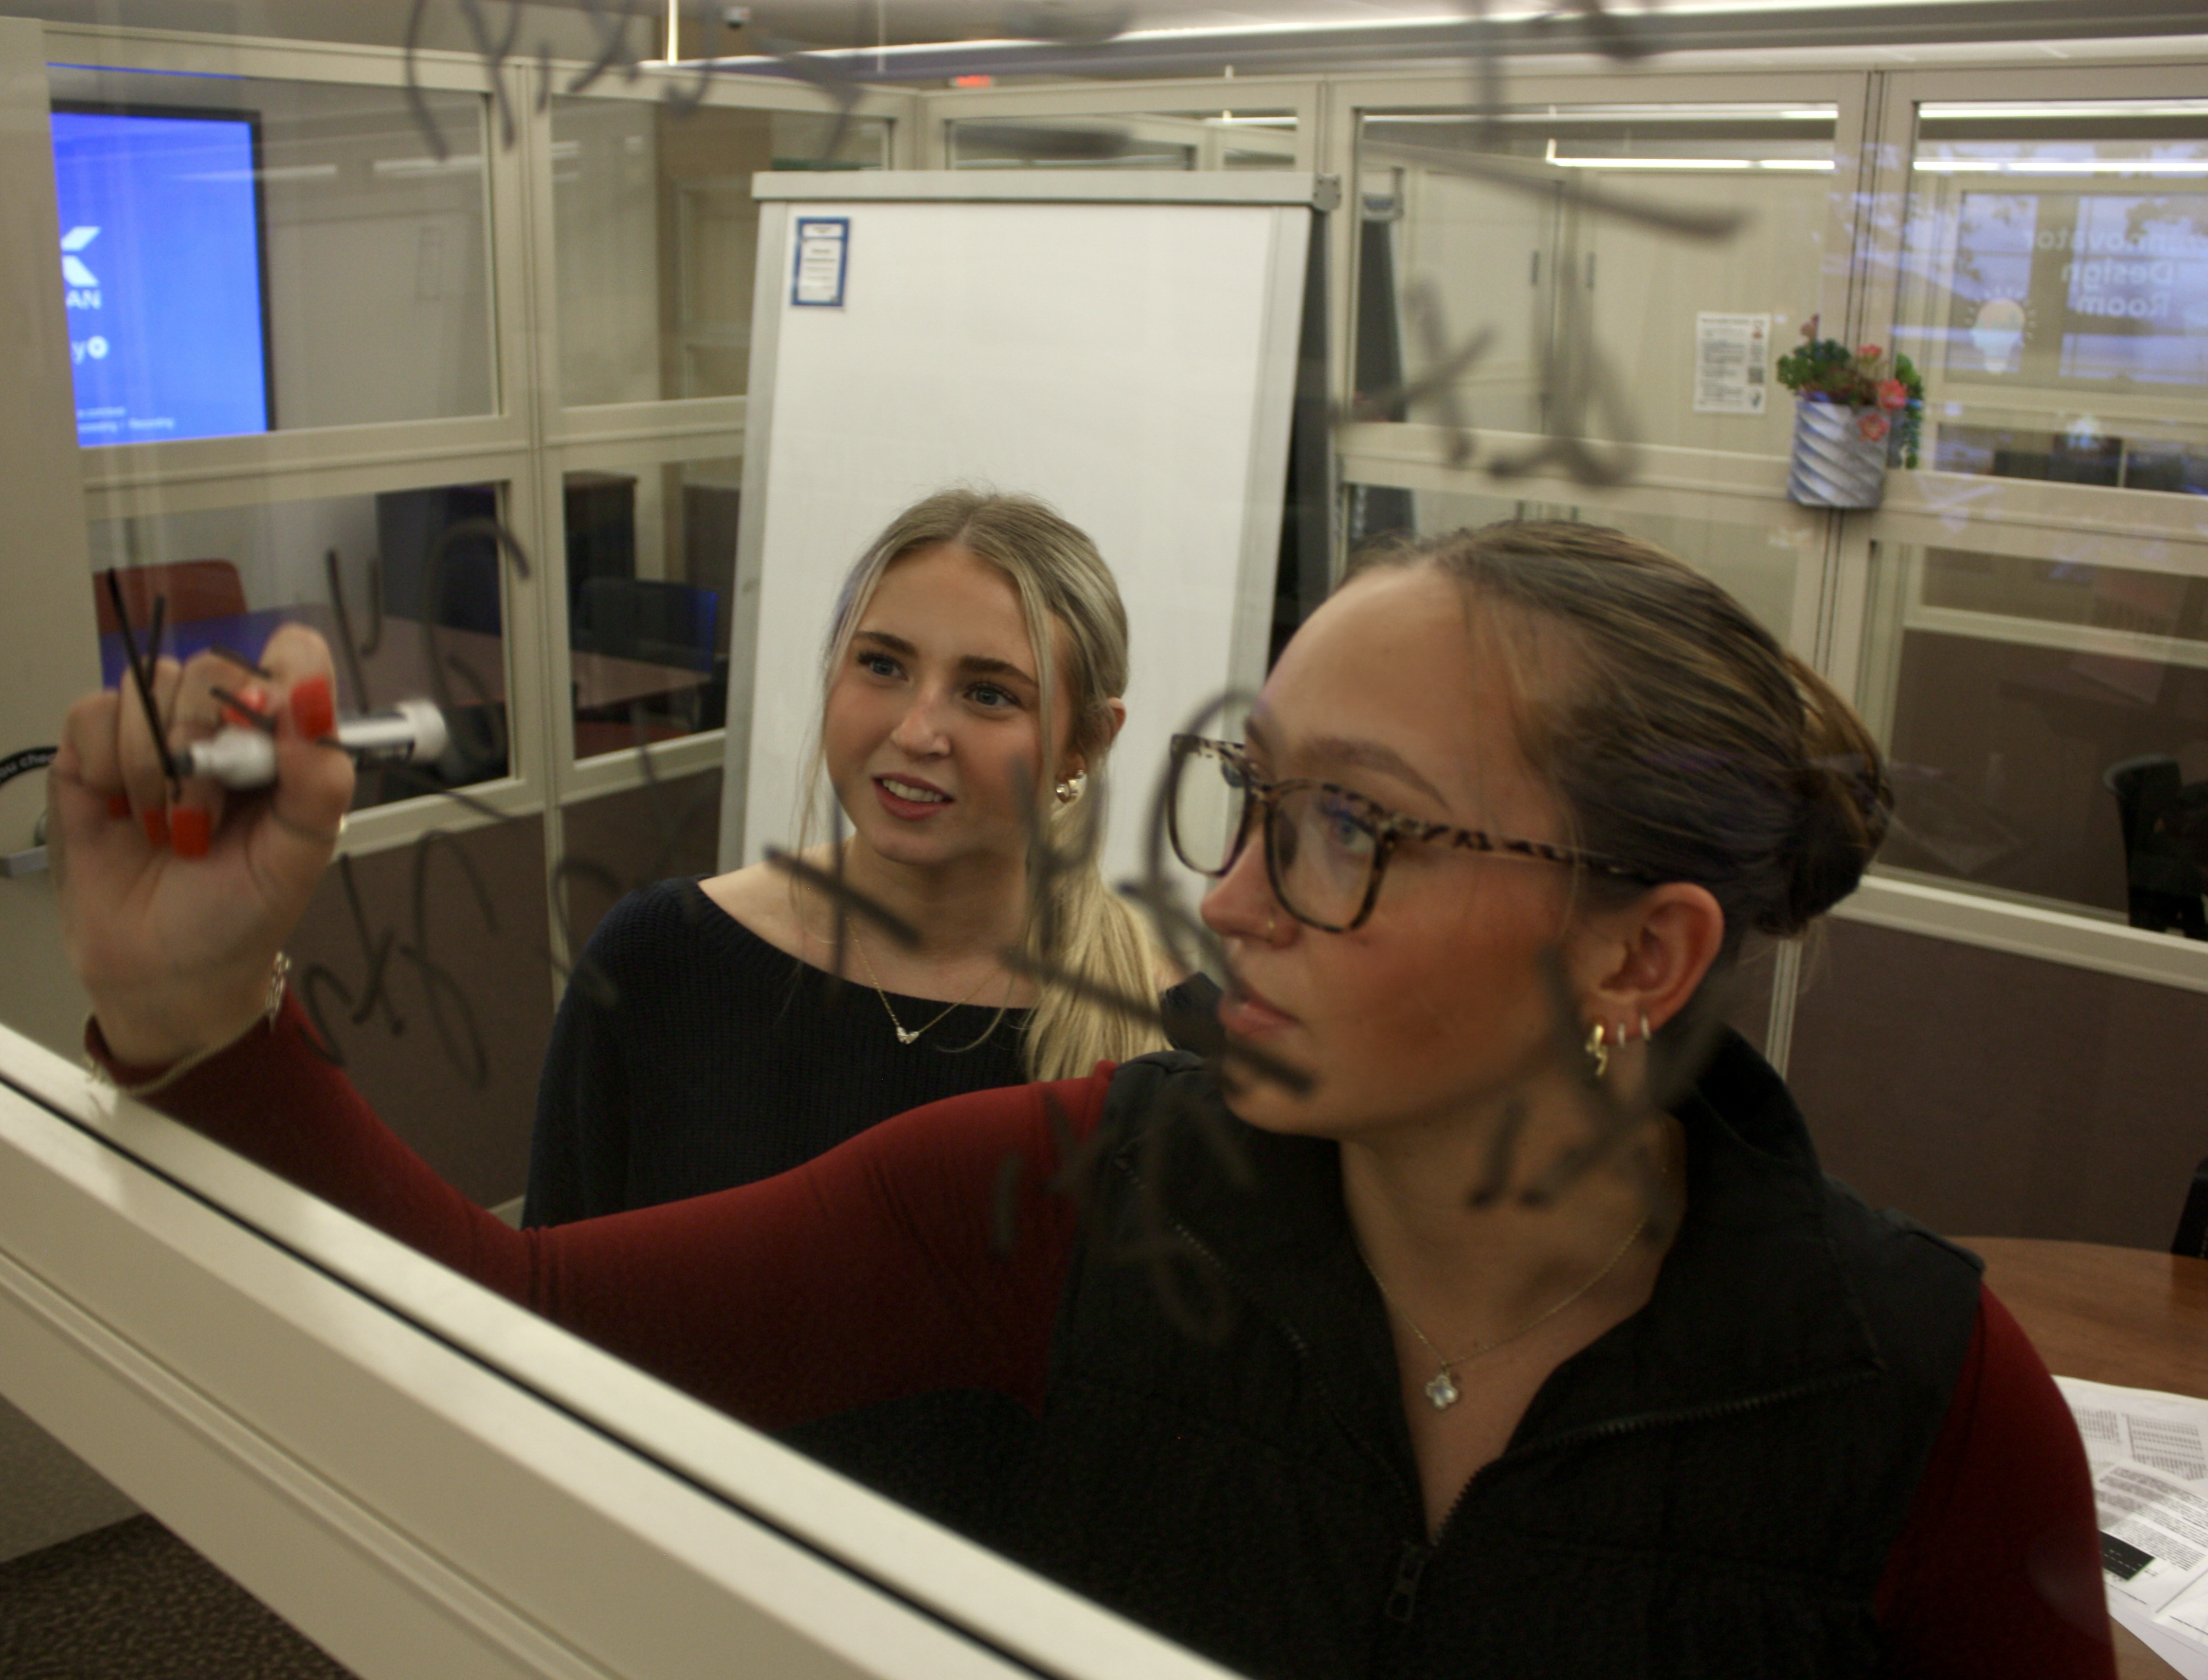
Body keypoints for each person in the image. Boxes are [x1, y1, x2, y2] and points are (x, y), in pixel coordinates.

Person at [51, 521, 2112, 1679]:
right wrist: (198, 993)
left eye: (1347, 832)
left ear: (1638, 954)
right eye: (1249, 800)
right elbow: (502, 1322)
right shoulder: (1073, 1192)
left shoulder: (1913, 1398)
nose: (1222, 897)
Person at [528, 489, 1213, 1223]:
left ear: (1086, 742)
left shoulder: (1179, 1045)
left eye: (987, 693)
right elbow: (546, 1301)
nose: (918, 732)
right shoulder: (656, 960)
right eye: (883, 666)